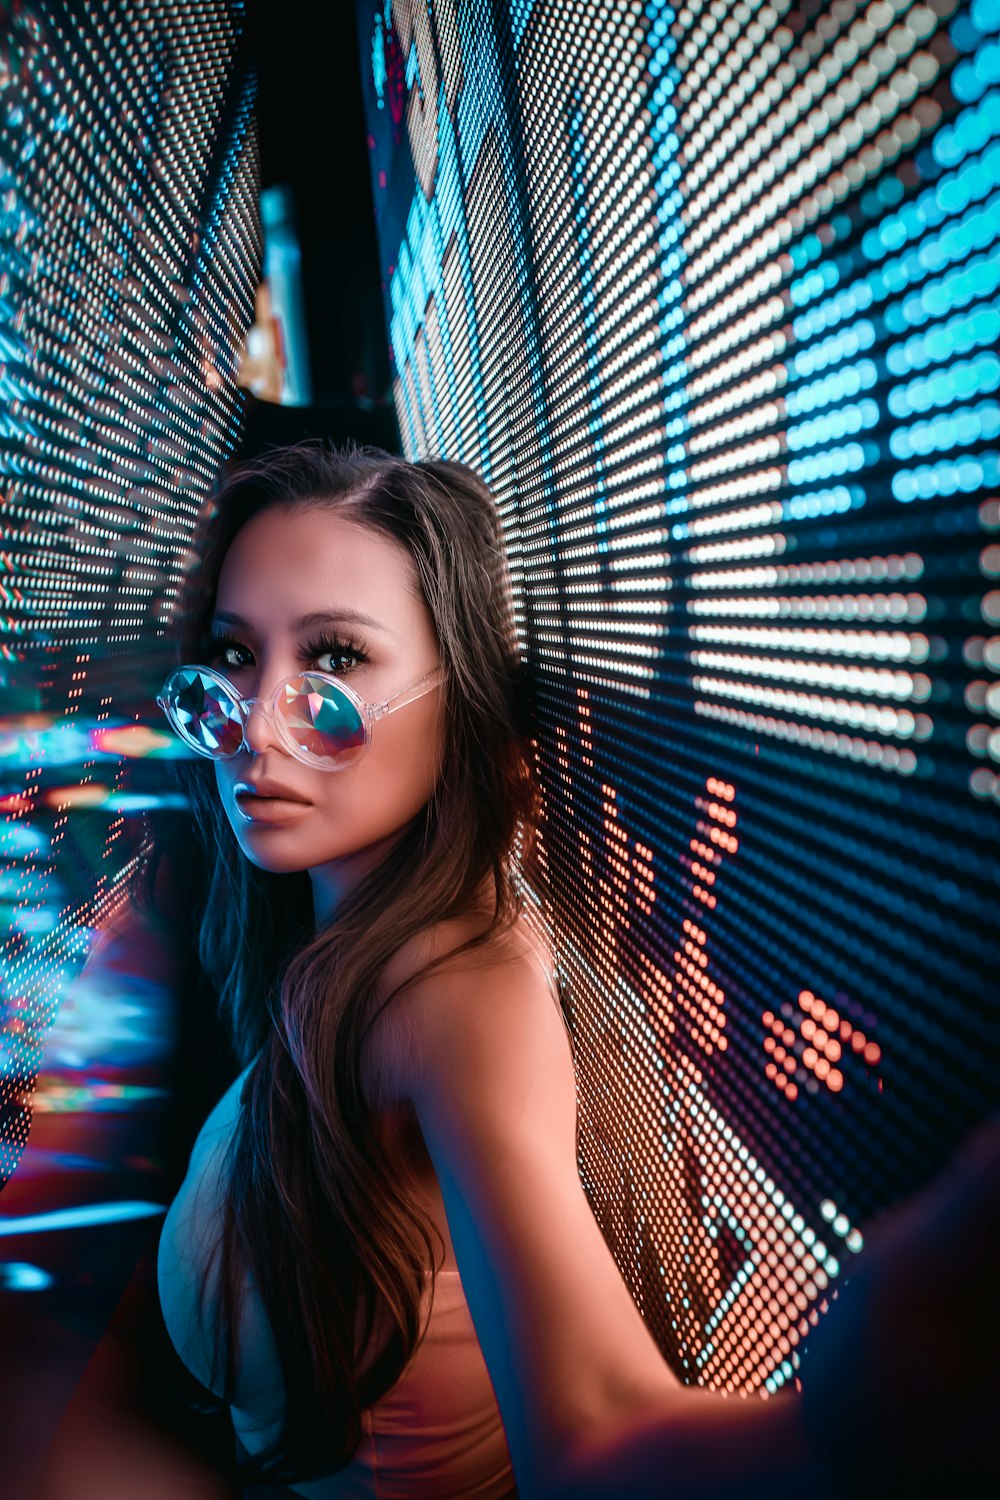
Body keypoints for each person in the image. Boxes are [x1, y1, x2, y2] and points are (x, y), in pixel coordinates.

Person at [150, 441, 999, 1500]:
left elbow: (592, 1438)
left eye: (336, 657)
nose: (256, 721)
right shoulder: (330, 950)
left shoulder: (452, 988)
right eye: (234, 653)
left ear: (457, 692)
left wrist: (852, 1423)